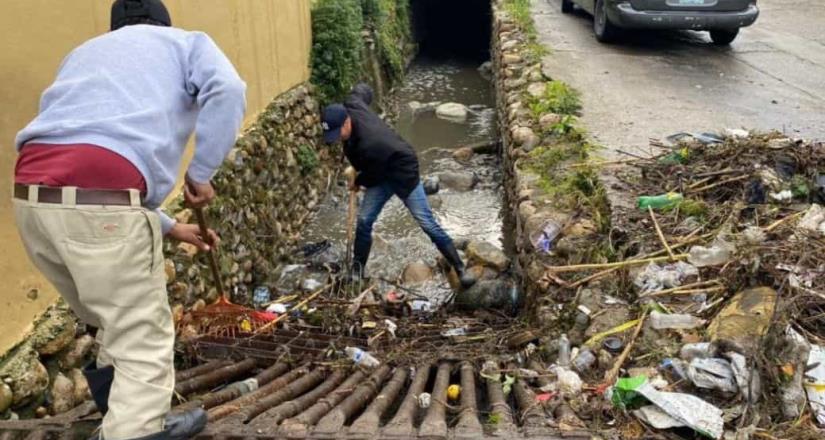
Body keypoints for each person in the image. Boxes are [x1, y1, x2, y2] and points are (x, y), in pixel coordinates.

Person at [12, 1, 246, 439]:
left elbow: (82, 175)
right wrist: (201, 173)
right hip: (102, 202)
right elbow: (229, 89)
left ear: (115, 28)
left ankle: (127, 417)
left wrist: (171, 226)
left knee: (110, 319)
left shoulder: (84, 53)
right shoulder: (186, 44)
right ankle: (136, 430)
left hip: (31, 198)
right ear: (163, 25)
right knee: (142, 337)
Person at [322, 83, 476, 288]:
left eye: (337, 132)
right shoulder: (351, 104)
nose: (337, 138)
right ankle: (358, 271)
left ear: (347, 121)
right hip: (377, 170)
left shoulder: (371, 143)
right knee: (364, 221)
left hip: (403, 172)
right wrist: (362, 87)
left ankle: (459, 268)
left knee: (426, 222)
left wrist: (357, 182)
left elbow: (374, 175)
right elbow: (362, 91)